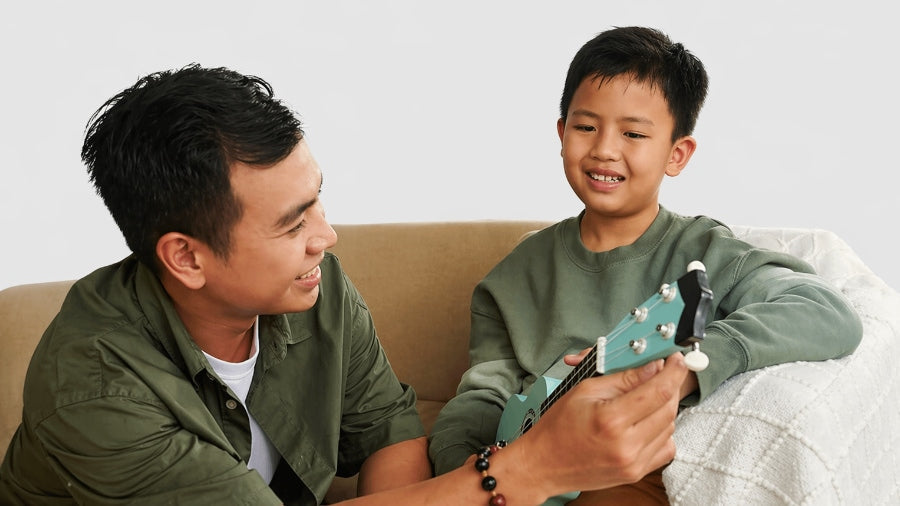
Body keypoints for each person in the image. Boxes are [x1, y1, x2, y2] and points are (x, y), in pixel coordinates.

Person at [0, 64, 694, 505]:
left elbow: (387, 427)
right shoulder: (94, 389)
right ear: (185, 258)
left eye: (318, 201)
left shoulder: (310, 285)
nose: (326, 238)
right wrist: (524, 471)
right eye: (293, 221)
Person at [428, 26, 863, 505]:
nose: (604, 149)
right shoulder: (511, 276)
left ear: (677, 153)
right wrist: (464, 470)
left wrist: (689, 368)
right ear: (561, 132)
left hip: (634, 474)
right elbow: (481, 397)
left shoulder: (705, 251)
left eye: (633, 133)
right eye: (586, 126)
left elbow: (824, 310)